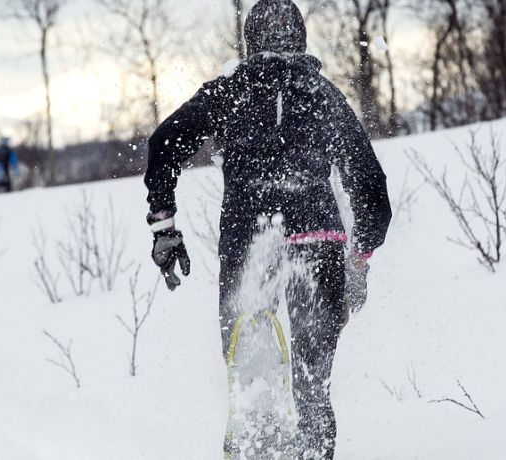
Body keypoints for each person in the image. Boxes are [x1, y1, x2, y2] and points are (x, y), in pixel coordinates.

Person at [142, 0, 392, 458]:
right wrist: (360, 259)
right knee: (313, 389)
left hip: (250, 243)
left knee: (250, 379)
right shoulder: (324, 97)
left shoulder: (227, 93)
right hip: (320, 242)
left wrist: (165, 228)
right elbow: (371, 189)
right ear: (299, 39)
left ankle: (259, 446)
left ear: (249, 41)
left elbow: (164, 144)